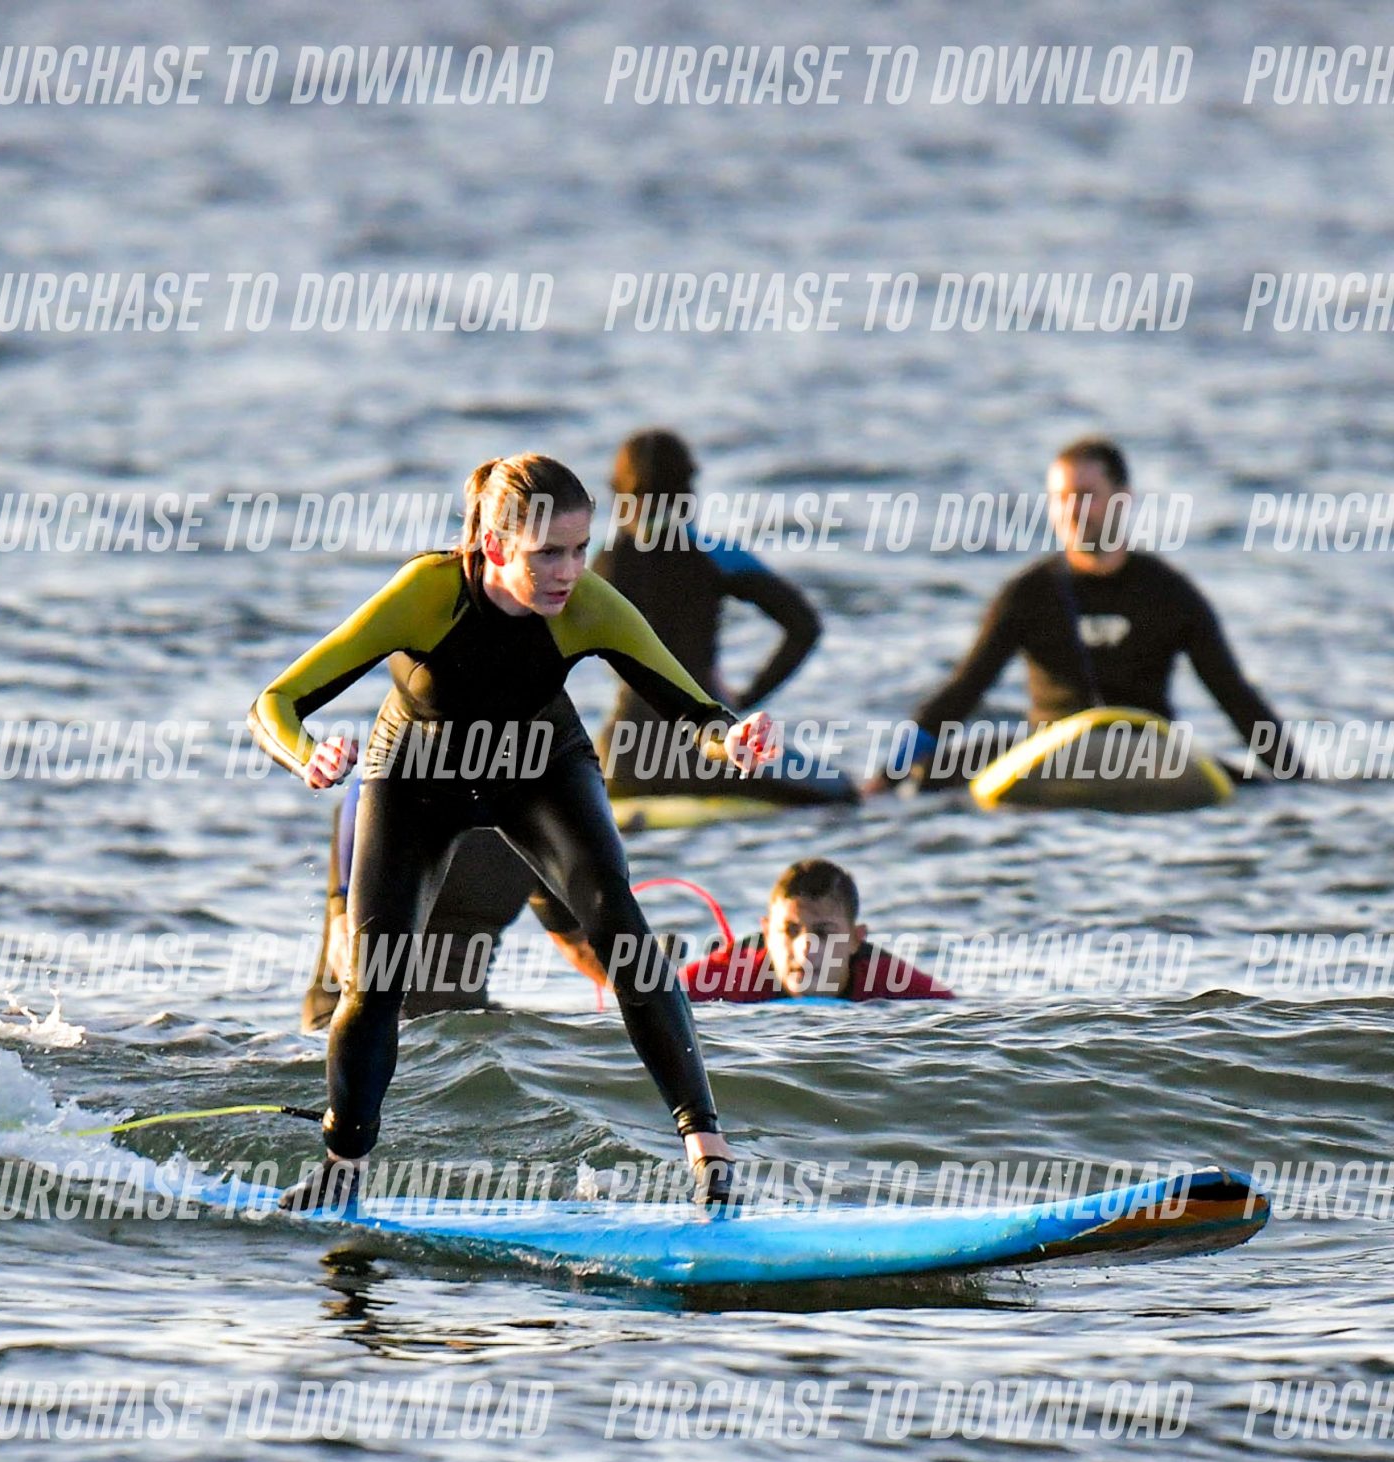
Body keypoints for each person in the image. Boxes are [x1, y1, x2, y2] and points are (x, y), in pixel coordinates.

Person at [250, 452, 779, 1208]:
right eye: (548, 554)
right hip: (416, 775)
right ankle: (343, 1165)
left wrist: (735, 740)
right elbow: (276, 701)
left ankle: (708, 1152)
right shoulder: (427, 594)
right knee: (377, 977)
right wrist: (308, 754)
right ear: (495, 545)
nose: (569, 572)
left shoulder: (588, 604)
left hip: (539, 764)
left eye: (580, 548)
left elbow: (696, 711)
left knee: (619, 923)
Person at [874, 437, 1306, 791]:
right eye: (1061, 499)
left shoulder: (1169, 593)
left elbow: (1234, 695)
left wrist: (1297, 778)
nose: (1072, 512)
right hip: (1049, 750)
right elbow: (962, 692)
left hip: (1147, 749)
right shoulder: (1029, 594)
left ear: (1123, 500)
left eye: (1086, 497)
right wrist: (885, 778)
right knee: (924, 778)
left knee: (1256, 788)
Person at [591, 429, 852, 805]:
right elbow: (805, 626)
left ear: (618, 491)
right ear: (688, 490)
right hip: (711, 756)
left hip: (623, 759)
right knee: (843, 790)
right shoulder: (714, 555)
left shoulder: (598, 565)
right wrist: (746, 698)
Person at [300, 777, 603, 1030]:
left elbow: (578, 946)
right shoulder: (381, 796)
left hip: (463, 1026)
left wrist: (633, 987)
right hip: (354, 1025)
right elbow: (344, 942)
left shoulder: (535, 821)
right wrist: (394, 1035)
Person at [681, 860, 951, 1003]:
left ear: (856, 940)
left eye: (823, 933)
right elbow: (660, 1001)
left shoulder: (892, 983)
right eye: (790, 931)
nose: (805, 949)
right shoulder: (724, 977)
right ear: (767, 934)